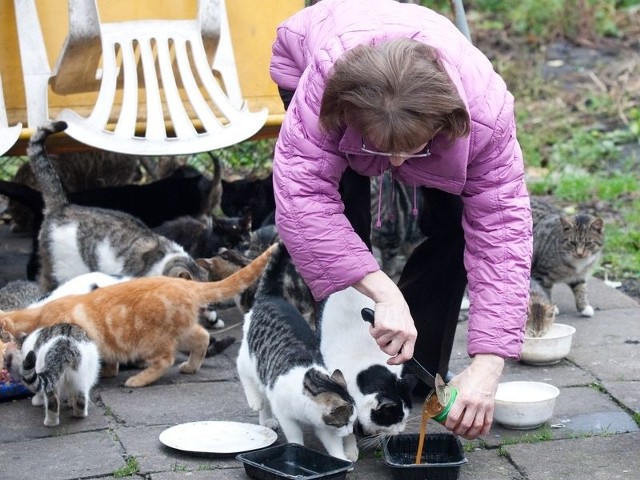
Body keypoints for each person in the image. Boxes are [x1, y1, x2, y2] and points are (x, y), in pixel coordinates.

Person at [269, 0, 532, 440]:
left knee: (454, 231)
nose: (394, 164)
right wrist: (382, 290)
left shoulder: (485, 114)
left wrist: (489, 363)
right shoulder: (325, 90)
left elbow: (502, 233)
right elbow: (304, 201)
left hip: (446, 113)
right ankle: (340, 378)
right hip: (318, 62)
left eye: (408, 151)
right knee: (340, 229)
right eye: (381, 149)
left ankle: (414, 377)